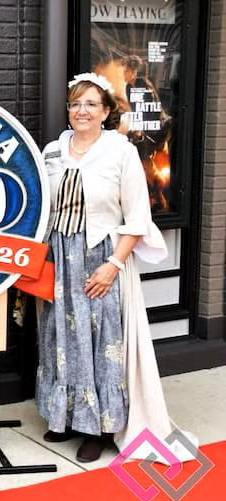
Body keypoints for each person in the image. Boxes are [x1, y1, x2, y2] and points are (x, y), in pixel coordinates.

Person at [37, 72, 196, 463]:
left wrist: (113, 264)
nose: (82, 111)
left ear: (106, 111)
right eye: (76, 104)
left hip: (102, 254)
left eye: (91, 104)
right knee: (60, 338)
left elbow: (138, 217)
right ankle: (65, 416)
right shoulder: (52, 151)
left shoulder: (120, 152)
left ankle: (100, 428)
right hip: (59, 255)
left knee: (101, 341)